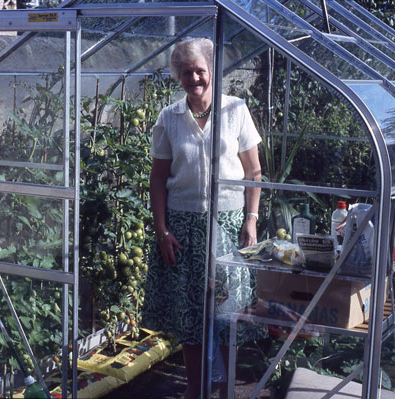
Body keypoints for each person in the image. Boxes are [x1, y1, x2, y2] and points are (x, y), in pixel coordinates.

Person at [141, 37, 262, 399]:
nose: (194, 78)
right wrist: (162, 231)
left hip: (227, 225)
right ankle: (195, 392)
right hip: (183, 229)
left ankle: (225, 392)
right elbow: (158, 178)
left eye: (200, 71)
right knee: (191, 319)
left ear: (213, 72)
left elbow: (254, 171)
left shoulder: (235, 109)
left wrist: (251, 219)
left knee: (229, 315)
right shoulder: (170, 117)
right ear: (178, 76)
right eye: (186, 72)